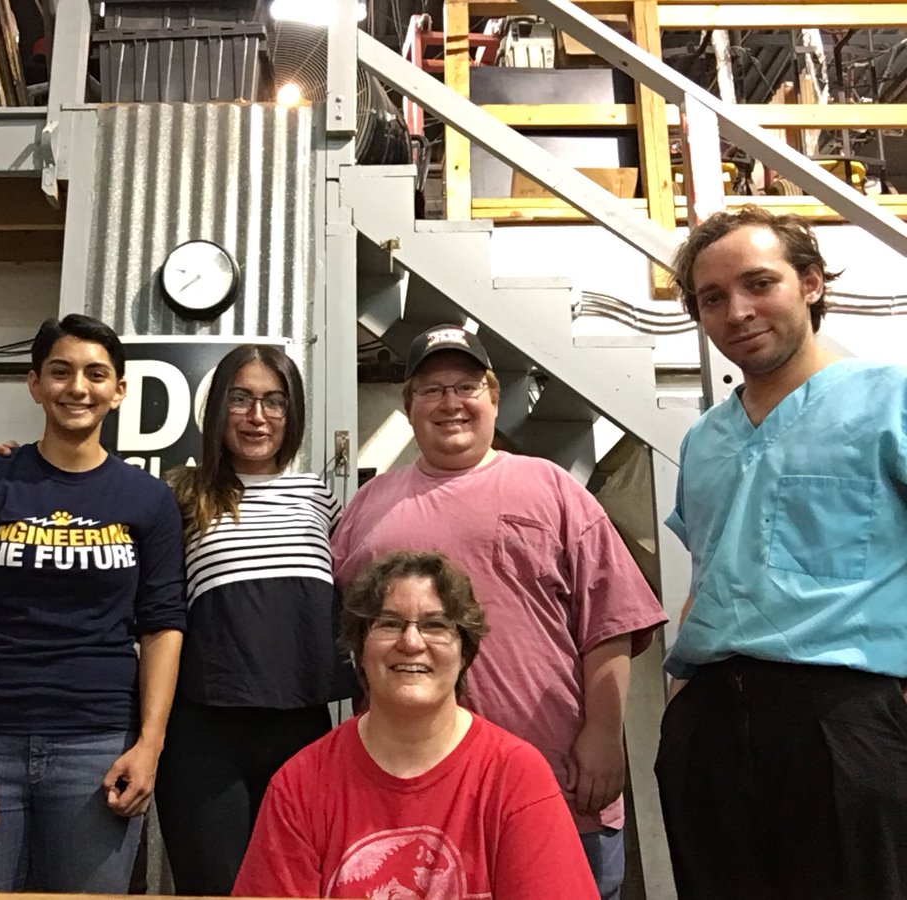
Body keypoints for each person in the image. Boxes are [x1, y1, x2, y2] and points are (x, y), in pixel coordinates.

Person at [330, 324, 667, 899]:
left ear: (493, 395)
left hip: (558, 780)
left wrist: (605, 734)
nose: (450, 403)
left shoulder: (552, 488)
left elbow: (610, 620)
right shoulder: (367, 506)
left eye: (465, 385)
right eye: (431, 390)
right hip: (413, 797)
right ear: (408, 407)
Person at [655, 205, 907, 899]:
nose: (737, 310)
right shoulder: (705, 440)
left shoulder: (890, 399)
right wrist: (681, 712)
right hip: (707, 727)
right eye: (712, 298)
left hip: (844, 721)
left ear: (812, 284)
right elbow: (709, 576)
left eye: (759, 283)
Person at [0, 313, 186, 894]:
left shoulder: (148, 499)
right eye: (60, 372)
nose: (77, 387)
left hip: (99, 745)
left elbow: (163, 625)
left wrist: (150, 744)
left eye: (96, 374)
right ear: (34, 384)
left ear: (119, 391)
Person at [233, 550, 598, 899]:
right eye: (389, 623)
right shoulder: (300, 785)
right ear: (359, 648)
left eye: (435, 625)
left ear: (465, 650)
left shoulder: (515, 777)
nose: (411, 642)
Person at [156, 344, 355, 895]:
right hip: (204, 735)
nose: (257, 416)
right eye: (240, 399)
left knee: (297, 887)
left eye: (275, 401)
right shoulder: (180, 494)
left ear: (292, 415)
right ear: (217, 407)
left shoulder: (319, 497)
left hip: (303, 727)